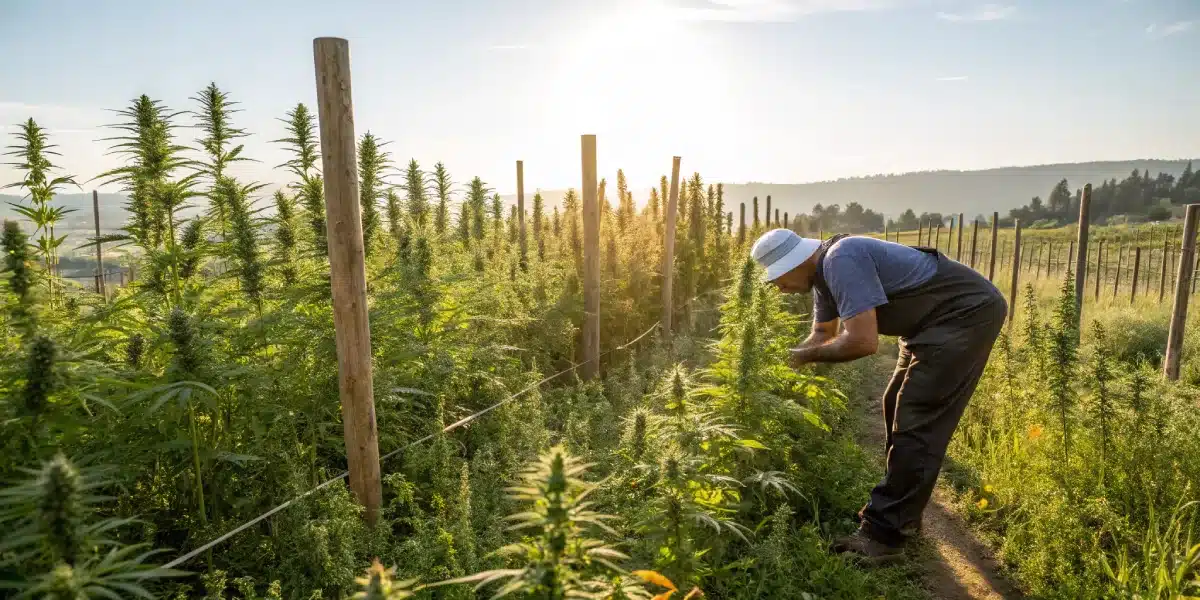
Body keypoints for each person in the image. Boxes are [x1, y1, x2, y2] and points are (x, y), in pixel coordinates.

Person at [749, 228, 1007, 565]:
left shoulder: (842, 260)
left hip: (963, 316)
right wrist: (784, 361)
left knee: (916, 418)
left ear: (794, 262)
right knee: (894, 403)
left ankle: (885, 537)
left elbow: (862, 342)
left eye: (777, 279)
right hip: (926, 326)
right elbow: (822, 334)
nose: (778, 289)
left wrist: (803, 357)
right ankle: (902, 515)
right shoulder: (824, 274)